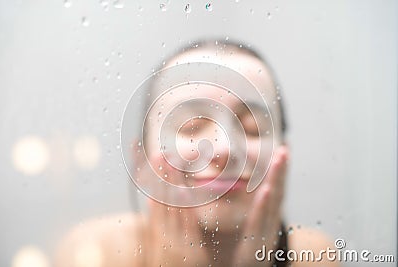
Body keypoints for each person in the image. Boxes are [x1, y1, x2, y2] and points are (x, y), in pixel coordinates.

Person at [54, 40, 339, 267]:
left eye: (252, 129)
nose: (224, 149)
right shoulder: (97, 252)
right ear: (142, 160)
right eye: (191, 127)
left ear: (283, 154)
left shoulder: (313, 255)